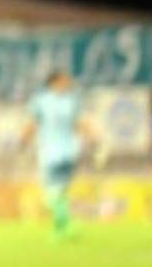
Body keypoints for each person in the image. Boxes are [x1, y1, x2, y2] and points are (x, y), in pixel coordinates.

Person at [20, 71, 96, 240]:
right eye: (64, 79)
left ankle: (62, 227)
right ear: (54, 81)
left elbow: (79, 122)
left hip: (63, 151)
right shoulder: (46, 100)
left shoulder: (66, 100)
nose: (68, 82)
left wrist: (92, 138)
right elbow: (33, 122)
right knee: (57, 192)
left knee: (57, 192)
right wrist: (24, 139)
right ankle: (62, 227)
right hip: (57, 151)